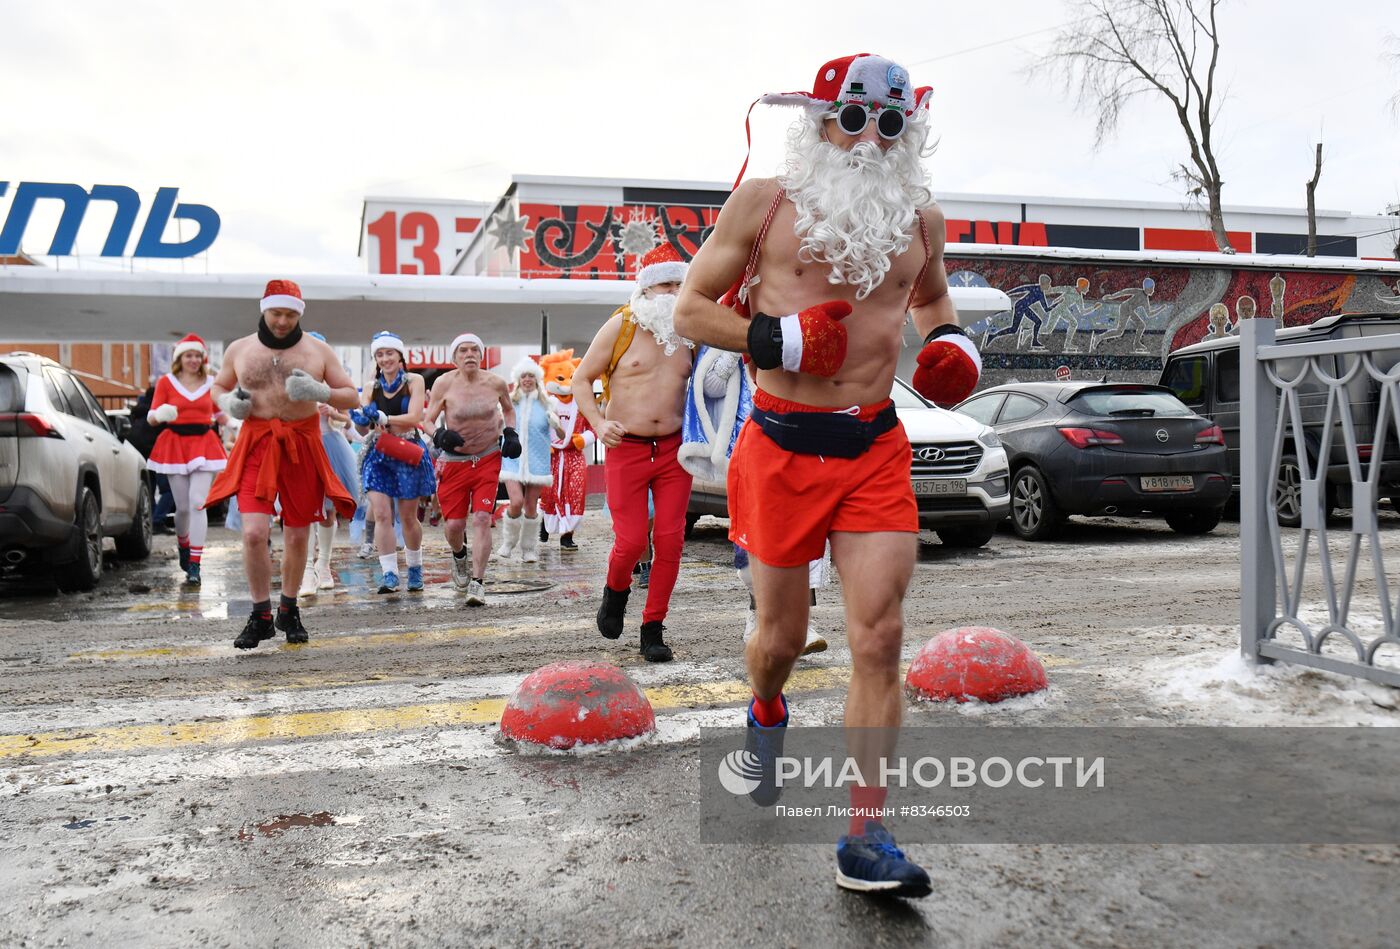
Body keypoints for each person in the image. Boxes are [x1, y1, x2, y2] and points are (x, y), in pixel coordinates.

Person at [673, 54, 981, 897]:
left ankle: (864, 834)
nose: (870, 139)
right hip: (778, 447)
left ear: (907, 130)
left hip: (875, 446)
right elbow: (691, 307)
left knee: (878, 635)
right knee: (776, 642)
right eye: (854, 118)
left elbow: (931, 301)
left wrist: (951, 343)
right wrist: (777, 340)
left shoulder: (920, 220)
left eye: (890, 124)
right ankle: (765, 713)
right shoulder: (765, 203)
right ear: (817, 119)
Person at [205, 280, 360, 649]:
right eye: (276, 313)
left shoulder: (317, 350)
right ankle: (260, 613)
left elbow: (351, 395)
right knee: (254, 532)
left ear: (300, 313)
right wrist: (230, 405)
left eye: (290, 314)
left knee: (296, 532)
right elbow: (218, 387)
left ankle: (288, 608)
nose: (282, 321)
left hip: (302, 444)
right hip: (257, 442)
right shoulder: (240, 349)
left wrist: (320, 392)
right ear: (264, 309)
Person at [573, 243, 697, 663]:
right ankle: (615, 593)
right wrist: (598, 423)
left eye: (680, 284)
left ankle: (653, 628)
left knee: (670, 540)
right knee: (629, 541)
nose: (674, 293)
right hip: (626, 447)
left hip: (675, 451)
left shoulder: (690, 331)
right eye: (666, 284)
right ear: (646, 287)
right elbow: (581, 378)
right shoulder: (621, 325)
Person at [679, 345, 827, 654]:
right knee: (753, 539)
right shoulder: (728, 331)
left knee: (804, 535)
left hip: (797, 449)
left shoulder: (795, 332)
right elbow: (710, 387)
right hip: (747, 454)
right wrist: (738, 346)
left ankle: (800, 624)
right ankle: (758, 615)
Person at [425, 333, 520, 605]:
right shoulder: (444, 384)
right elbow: (427, 421)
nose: (469, 355)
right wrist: (440, 435)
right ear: (454, 358)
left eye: (474, 350)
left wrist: (510, 433)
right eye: (463, 351)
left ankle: (478, 583)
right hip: (454, 462)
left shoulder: (495, 383)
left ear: (481, 355)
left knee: (481, 518)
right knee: (454, 524)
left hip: (487, 458)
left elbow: (509, 410)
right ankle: (459, 555)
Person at [351, 331, 435, 595]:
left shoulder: (414, 380)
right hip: (379, 454)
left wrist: (384, 417)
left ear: (400, 356)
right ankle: (389, 574)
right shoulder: (371, 386)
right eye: (380, 354)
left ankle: (414, 568)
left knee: (408, 517)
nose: (385, 359)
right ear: (376, 359)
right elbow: (363, 428)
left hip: (407, 450)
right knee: (382, 513)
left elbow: (414, 417)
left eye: (389, 353)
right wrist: (361, 418)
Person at [145, 333, 228, 585]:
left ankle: (195, 563)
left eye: (197, 356)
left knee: (198, 503)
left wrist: (238, 417)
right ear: (179, 358)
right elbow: (151, 417)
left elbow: (221, 414)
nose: (193, 360)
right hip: (175, 445)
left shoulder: (211, 382)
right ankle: (183, 544)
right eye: (188, 355)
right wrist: (161, 414)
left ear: (203, 359)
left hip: (204, 443)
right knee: (181, 508)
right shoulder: (166, 382)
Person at [298, 331, 361, 597]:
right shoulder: (294, 380)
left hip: (330, 446)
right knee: (300, 512)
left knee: (327, 510)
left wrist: (333, 412)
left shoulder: (332, 383)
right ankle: (303, 575)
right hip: (300, 448)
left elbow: (348, 420)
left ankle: (322, 565)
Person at [495, 356, 560, 564]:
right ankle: (508, 542)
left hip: (537, 460)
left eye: (531, 375)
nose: (527, 379)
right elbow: (497, 426)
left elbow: (559, 432)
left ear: (537, 379)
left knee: (531, 505)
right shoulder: (509, 403)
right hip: (513, 460)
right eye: (524, 376)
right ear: (518, 379)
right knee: (516, 502)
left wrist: (555, 423)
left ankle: (529, 549)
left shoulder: (547, 403)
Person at [538, 350, 593, 551]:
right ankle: (545, 522)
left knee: (575, 492)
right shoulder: (544, 404)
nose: (566, 384)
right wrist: (545, 444)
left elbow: (593, 427)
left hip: (574, 456)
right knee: (550, 493)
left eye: (570, 377)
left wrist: (582, 439)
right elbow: (536, 428)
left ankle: (567, 535)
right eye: (560, 378)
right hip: (551, 456)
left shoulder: (582, 403)